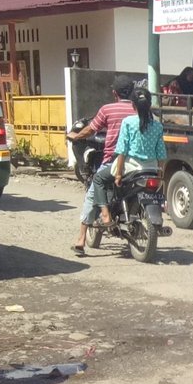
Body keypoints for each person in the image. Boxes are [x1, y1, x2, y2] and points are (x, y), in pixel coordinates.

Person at [68, 77, 136, 256]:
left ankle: (81, 240)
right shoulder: (140, 109)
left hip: (113, 160)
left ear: (114, 93)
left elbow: (91, 129)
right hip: (138, 162)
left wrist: (76, 136)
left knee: (92, 193)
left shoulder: (107, 109)